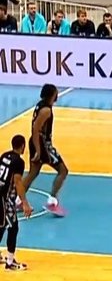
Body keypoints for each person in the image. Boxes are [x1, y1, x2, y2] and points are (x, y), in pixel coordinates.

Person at [21, 84, 68, 216]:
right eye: (56, 93)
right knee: (63, 170)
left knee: (33, 173)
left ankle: (18, 200)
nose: (57, 95)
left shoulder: (41, 105)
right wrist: (38, 150)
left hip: (38, 143)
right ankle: (52, 202)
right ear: (52, 95)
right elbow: (36, 130)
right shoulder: (46, 110)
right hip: (42, 145)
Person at [0, 135, 33, 271]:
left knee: (2, 225)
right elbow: (18, 182)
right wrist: (25, 203)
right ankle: (10, 262)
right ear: (23, 146)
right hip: (5, 198)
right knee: (13, 227)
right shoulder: (19, 162)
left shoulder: (4, 156)